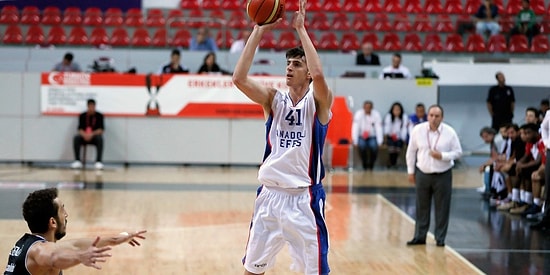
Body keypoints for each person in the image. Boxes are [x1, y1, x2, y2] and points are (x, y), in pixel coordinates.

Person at [232, 0, 332, 273]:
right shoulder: (273, 100)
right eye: (288, 64)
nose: (289, 68)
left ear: (308, 73)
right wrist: (259, 30)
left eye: (297, 64)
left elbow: (320, 74)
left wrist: (301, 29)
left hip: (304, 199)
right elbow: (239, 79)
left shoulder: (318, 104)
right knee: (252, 270)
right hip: (269, 196)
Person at [4, 188, 146, 274]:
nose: (66, 215)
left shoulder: (28, 243)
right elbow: (53, 258)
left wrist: (118, 238)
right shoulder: (39, 250)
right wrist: (79, 257)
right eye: (62, 210)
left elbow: (77, 244)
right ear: (53, 222)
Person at [405, 105, 462, 247]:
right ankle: (419, 236)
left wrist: (442, 156)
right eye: (431, 115)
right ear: (427, 116)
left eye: (437, 116)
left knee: (442, 207)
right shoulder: (418, 130)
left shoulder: (450, 132)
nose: (433, 119)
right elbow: (411, 152)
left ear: (442, 118)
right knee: (421, 206)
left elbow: (458, 152)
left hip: (443, 174)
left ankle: (440, 238)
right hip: (423, 172)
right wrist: (410, 171)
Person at [71, 99, 105, 170]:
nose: (91, 108)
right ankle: (77, 161)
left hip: (94, 136)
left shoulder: (99, 116)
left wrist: (91, 134)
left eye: (93, 106)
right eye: (90, 106)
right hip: (84, 136)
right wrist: (85, 135)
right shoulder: (82, 115)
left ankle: (98, 161)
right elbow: (79, 129)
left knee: (100, 139)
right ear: (87, 106)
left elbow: (101, 130)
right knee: (76, 138)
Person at [352, 100, 383, 170]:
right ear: (363, 107)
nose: (367, 109)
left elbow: (379, 128)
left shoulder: (376, 115)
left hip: (372, 136)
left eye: (369, 107)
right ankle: (364, 162)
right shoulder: (358, 114)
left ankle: (371, 163)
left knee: (374, 147)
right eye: (366, 107)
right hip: (361, 137)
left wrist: (380, 141)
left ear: (372, 108)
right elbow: (355, 128)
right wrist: (355, 141)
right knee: (362, 146)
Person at [383, 102, 408, 168]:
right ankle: (392, 162)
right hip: (390, 136)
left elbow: (404, 129)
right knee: (391, 146)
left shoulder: (404, 117)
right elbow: (387, 128)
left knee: (398, 145)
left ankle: (393, 162)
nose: (396, 111)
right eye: (395, 110)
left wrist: (401, 137)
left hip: (399, 137)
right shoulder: (389, 116)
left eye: (398, 110)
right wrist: (391, 135)